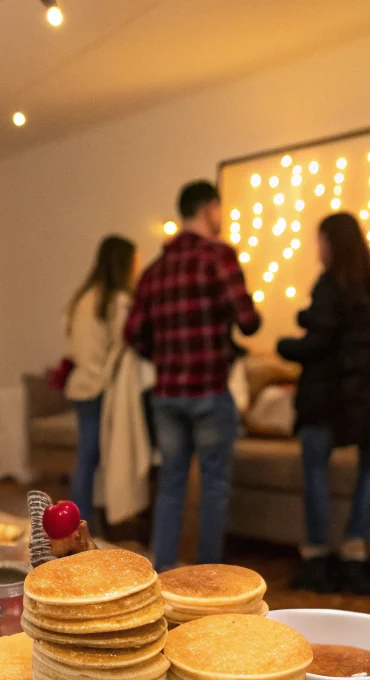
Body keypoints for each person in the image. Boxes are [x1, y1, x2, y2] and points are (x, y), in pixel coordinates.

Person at [126, 180, 260, 570]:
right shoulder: (219, 258)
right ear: (209, 208)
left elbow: (133, 333)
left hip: (166, 393)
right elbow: (248, 321)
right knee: (214, 486)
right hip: (207, 388)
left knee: (170, 486)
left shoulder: (154, 271)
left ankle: (163, 575)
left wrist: (164, 357)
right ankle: (209, 579)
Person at [277, 212, 370, 595]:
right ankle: (354, 552)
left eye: (320, 240)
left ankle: (317, 556)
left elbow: (317, 341)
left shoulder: (328, 285)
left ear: (331, 241)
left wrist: (284, 345)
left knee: (315, 468)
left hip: (326, 398)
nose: (318, 249)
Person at [63, 235, 138, 526]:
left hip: (80, 383)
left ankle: (82, 519)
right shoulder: (116, 300)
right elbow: (121, 345)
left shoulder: (83, 298)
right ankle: (81, 524)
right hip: (98, 387)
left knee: (87, 457)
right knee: (94, 457)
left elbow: (72, 345)